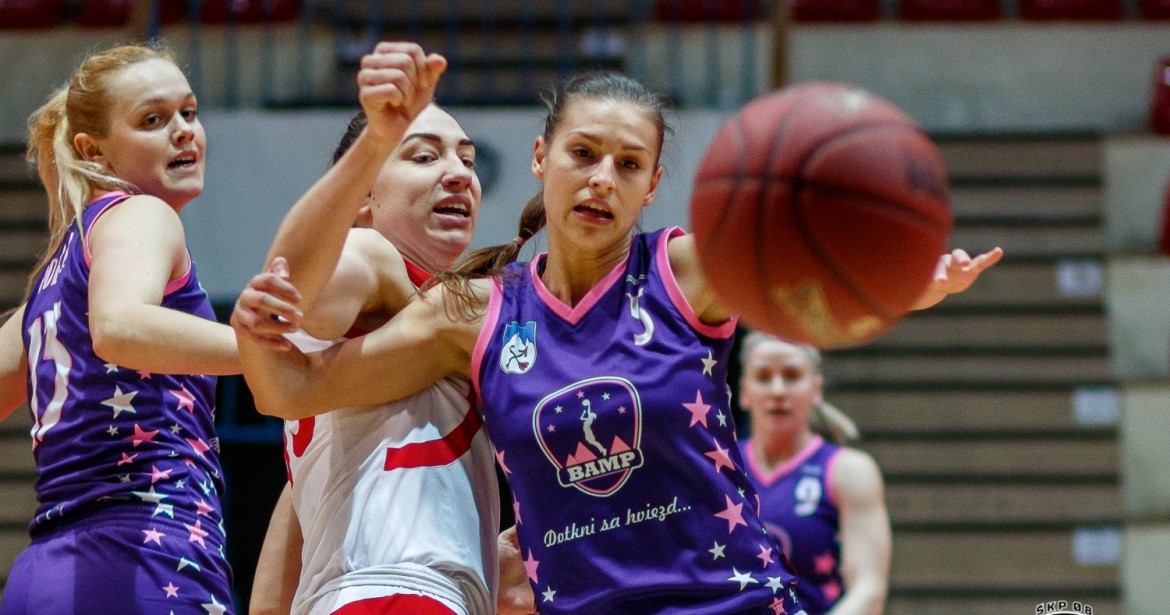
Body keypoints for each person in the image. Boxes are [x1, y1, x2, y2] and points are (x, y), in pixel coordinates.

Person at [232, 42, 999, 615]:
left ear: (653, 184)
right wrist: (257, 325)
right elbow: (288, 390)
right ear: (542, 158)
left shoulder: (684, 271)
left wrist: (894, 278)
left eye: (629, 164)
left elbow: (800, 278)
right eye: (584, 153)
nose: (603, 177)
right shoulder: (474, 312)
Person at [237, 105, 528, 615]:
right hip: (396, 596)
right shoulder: (371, 253)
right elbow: (299, 291)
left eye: (467, 160)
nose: (460, 174)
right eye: (424, 156)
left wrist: (481, 562)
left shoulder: (356, 384)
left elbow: (272, 596)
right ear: (362, 197)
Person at [0, 43, 237, 614]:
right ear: (93, 151)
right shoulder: (142, 212)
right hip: (144, 555)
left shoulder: (54, 276)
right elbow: (120, 327)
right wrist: (271, 350)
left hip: (43, 573)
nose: (183, 131)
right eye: (153, 120)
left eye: (189, 111)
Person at [737, 332, 890, 615]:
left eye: (792, 376)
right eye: (763, 377)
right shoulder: (719, 468)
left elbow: (869, 590)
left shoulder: (848, 471)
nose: (778, 391)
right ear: (744, 391)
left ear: (816, 389)